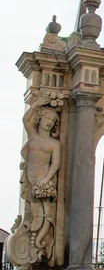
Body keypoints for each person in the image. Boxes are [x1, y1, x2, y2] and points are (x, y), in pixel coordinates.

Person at [22, 93, 61, 255]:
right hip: (31, 179)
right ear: (40, 120)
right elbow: (25, 120)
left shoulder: (54, 143)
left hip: (44, 180)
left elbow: (56, 163)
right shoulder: (33, 136)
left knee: (48, 213)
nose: (49, 123)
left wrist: (46, 179)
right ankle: (38, 241)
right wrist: (35, 105)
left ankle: (40, 241)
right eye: (47, 120)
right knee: (37, 212)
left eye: (52, 121)